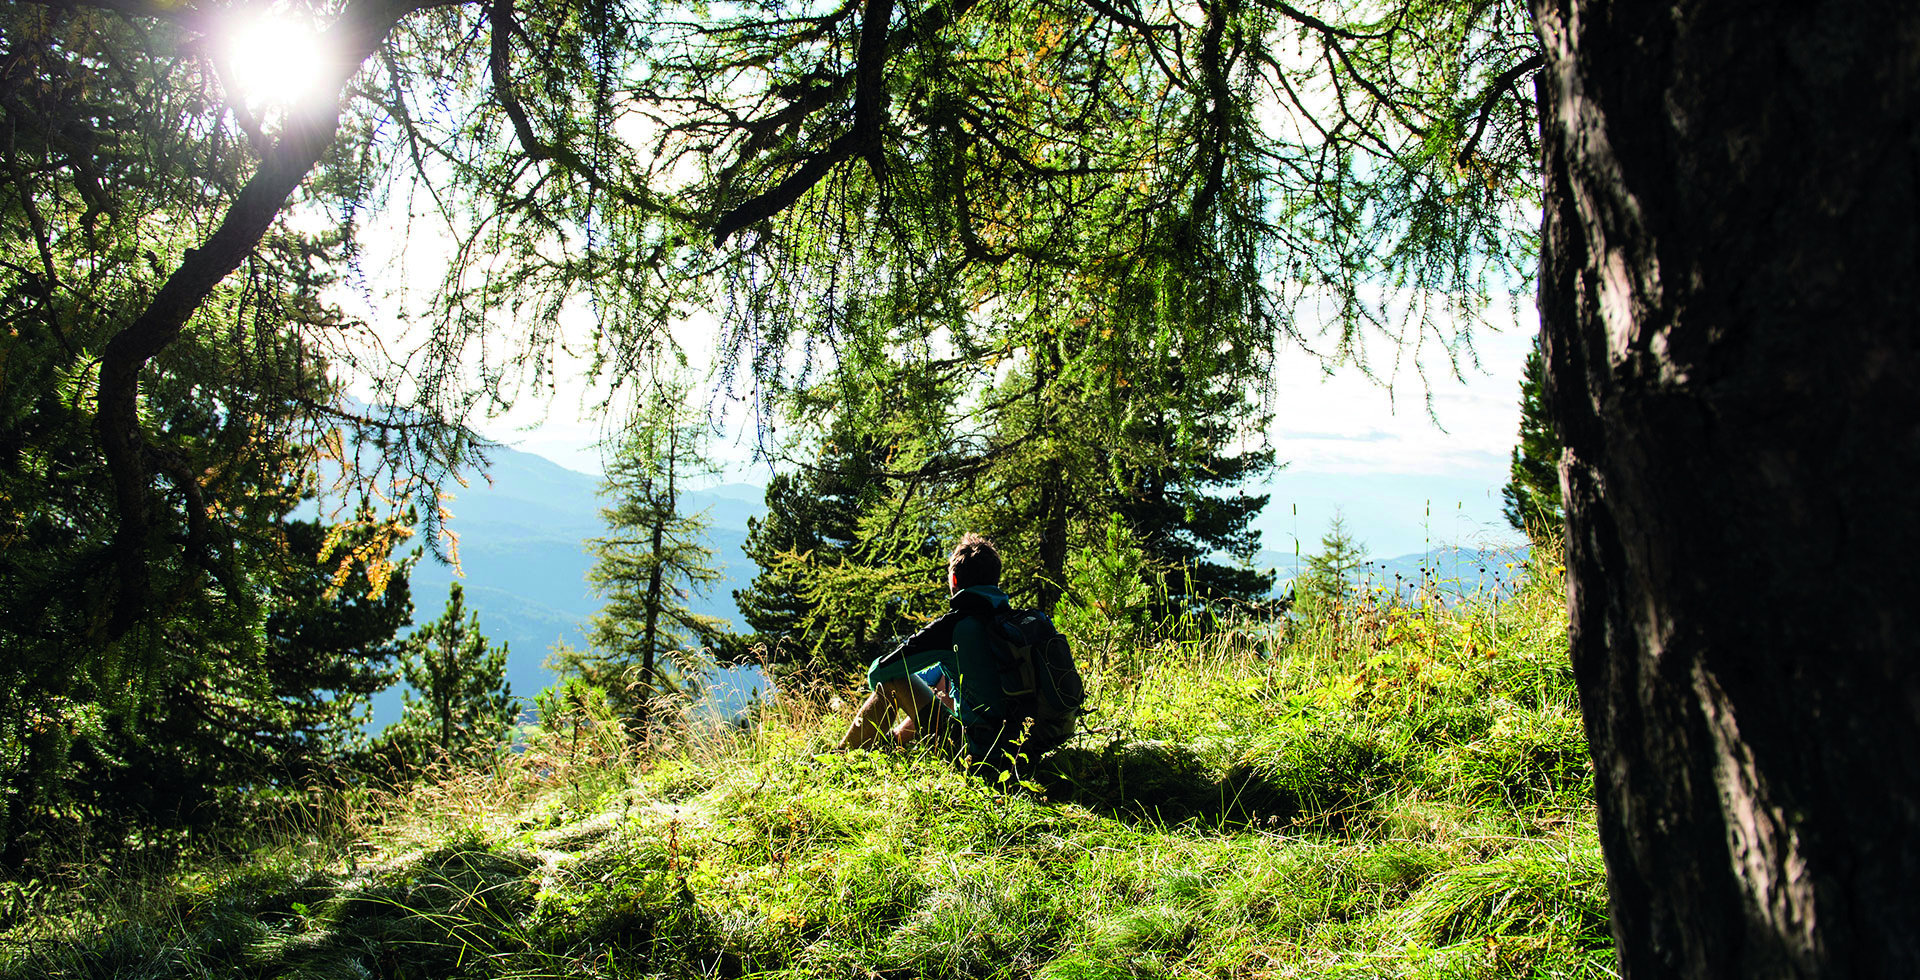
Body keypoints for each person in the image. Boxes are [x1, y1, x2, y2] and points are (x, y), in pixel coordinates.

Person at [837, 533, 1049, 770]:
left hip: (980, 755)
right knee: (944, 679)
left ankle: (839, 759)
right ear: (995, 581)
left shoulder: (953, 627)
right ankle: (893, 743)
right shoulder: (1023, 622)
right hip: (1031, 748)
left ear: (954, 580)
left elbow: (879, 673)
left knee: (894, 680)